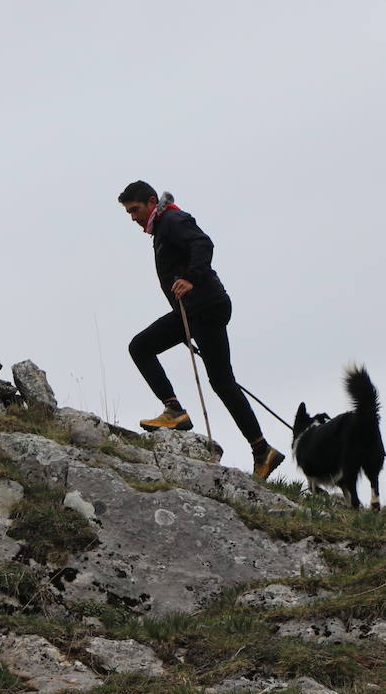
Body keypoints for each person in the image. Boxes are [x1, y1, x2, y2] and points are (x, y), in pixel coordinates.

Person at [118, 181, 285, 480]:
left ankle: (175, 411)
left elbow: (203, 243)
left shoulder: (171, 220)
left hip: (204, 309)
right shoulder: (163, 225)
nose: (132, 217)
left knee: (141, 347)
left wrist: (192, 278)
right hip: (200, 311)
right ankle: (263, 451)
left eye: (135, 209)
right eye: (128, 212)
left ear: (151, 202)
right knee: (222, 381)